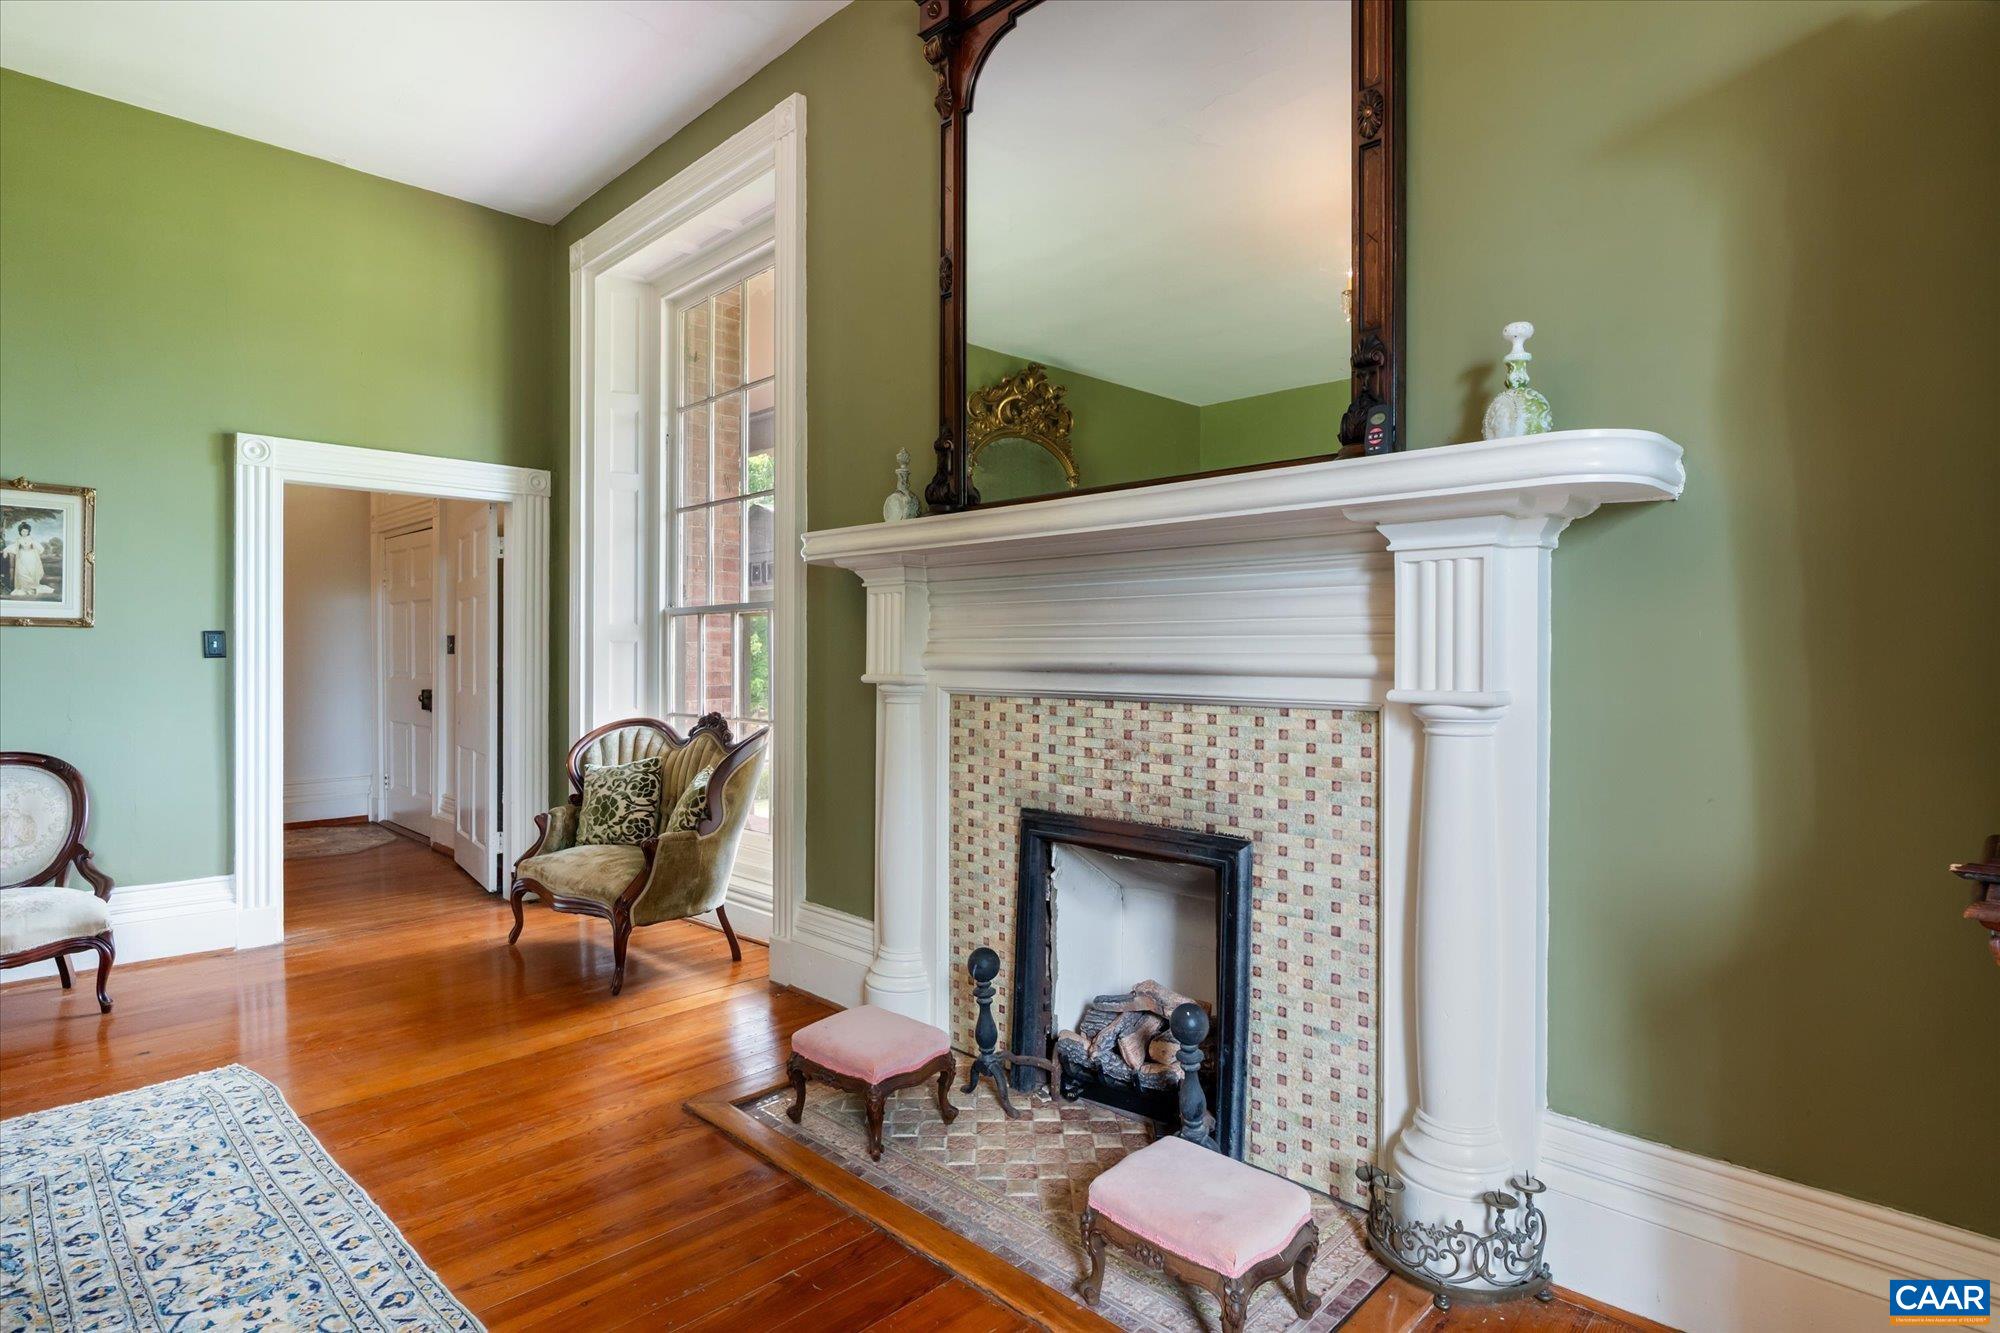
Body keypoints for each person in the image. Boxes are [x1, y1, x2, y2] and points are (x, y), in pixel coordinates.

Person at [5, 521, 46, 597]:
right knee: (22, 572)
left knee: (31, 571)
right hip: (22, 556)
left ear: (28, 532)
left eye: (26, 531)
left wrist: (38, 550)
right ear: (20, 531)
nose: (25, 533)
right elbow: (14, 546)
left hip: (31, 556)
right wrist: (6, 550)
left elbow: (39, 547)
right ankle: (24, 588)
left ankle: (31, 588)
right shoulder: (18, 539)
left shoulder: (31, 539)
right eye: (23, 531)